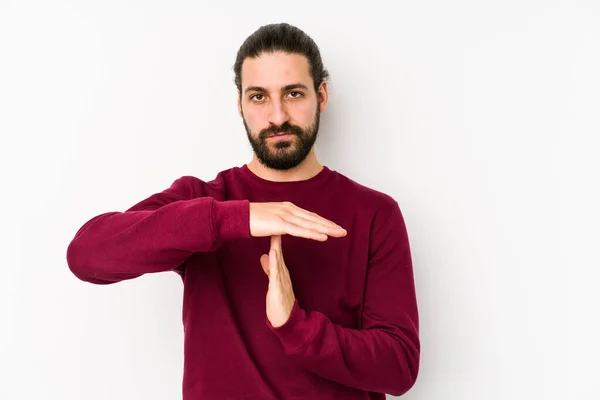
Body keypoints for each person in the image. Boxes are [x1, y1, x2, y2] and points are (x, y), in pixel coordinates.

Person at [66, 22, 420, 400]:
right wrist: (235, 218)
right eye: (259, 97)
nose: (278, 116)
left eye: (294, 93)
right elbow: (86, 255)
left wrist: (296, 328)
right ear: (239, 104)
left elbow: (399, 368)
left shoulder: (374, 213)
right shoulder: (201, 203)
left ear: (322, 95)